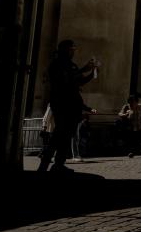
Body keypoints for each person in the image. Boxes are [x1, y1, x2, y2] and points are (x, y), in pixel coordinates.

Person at [37, 39, 99, 173]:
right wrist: (83, 69)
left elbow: (79, 82)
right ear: (65, 50)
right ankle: (45, 163)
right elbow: (64, 81)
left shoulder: (72, 66)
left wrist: (91, 74)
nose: (73, 52)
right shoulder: (57, 65)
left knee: (65, 136)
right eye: (72, 49)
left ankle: (59, 163)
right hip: (62, 104)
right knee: (59, 134)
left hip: (72, 106)